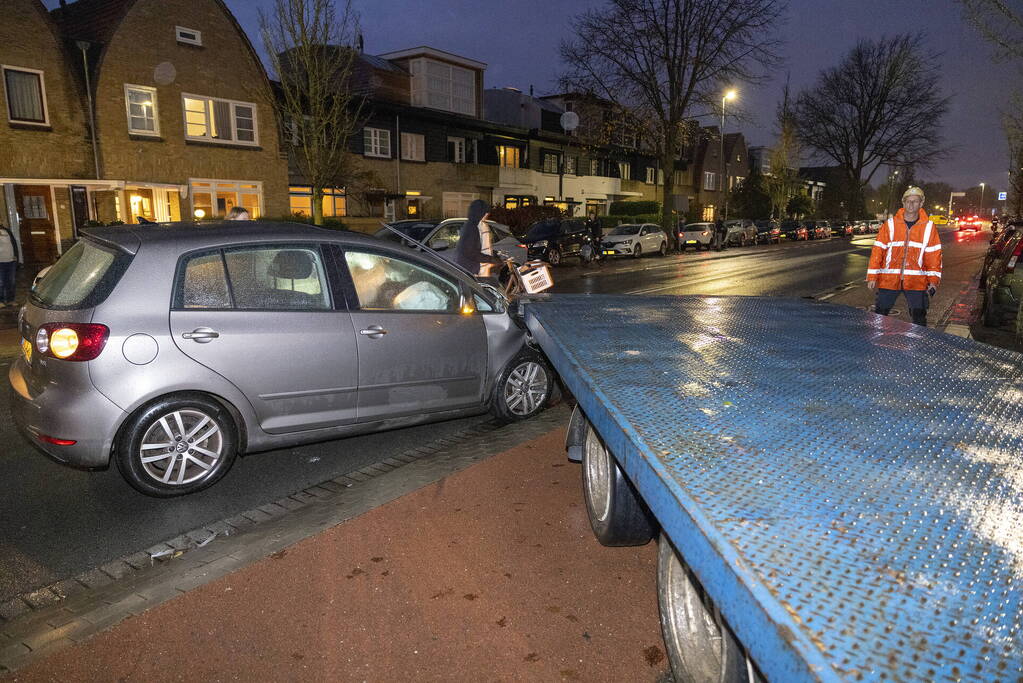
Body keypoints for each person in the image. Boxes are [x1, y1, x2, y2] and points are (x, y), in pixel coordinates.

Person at [866, 186, 942, 326]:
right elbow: (878, 250)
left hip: (916, 281)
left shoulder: (929, 227)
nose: (911, 204)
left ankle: (918, 344)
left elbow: (934, 255)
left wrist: (933, 280)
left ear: (921, 203)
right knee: (879, 316)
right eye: (908, 201)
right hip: (889, 279)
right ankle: (874, 344)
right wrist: (872, 276)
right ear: (903, 202)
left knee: (919, 319)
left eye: (915, 201)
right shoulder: (890, 224)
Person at [454, 199, 500, 277]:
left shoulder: (478, 225)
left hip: (472, 267)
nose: (487, 214)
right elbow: (471, 252)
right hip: (468, 269)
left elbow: (481, 246)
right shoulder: (471, 228)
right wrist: (490, 259)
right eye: (485, 212)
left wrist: (492, 256)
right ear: (478, 212)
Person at [0, 224, 18, 308]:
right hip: (1, 262)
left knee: (11, 282)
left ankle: (10, 300)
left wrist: (15, 255)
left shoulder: (7, 231)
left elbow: (13, 243)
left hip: (11, 261)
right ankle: (1, 301)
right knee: (1, 282)